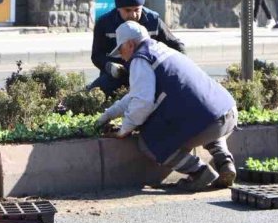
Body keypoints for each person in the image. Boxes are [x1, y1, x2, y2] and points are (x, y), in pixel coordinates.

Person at [96, 21, 238, 192]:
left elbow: (142, 103)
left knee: (149, 143)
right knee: (205, 114)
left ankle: (200, 171)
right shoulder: (161, 50)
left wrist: (124, 129)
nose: (121, 56)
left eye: (120, 50)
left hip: (207, 124)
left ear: (130, 44)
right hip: (227, 112)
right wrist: (108, 115)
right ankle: (224, 162)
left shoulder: (140, 59)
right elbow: (135, 94)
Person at [89, 0, 185, 96]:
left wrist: (175, 70)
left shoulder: (153, 21)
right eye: (127, 10)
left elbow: (177, 46)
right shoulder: (104, 24)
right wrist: (109, 66)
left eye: (136, 10)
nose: (133, 15)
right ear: (118, 8)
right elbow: (97, 55)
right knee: (92, 94)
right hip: (117, 75)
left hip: (148, 74)